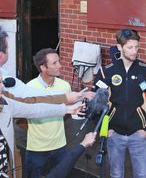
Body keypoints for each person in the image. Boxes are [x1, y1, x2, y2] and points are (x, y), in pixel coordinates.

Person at [94, 29, 146, 178]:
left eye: (137, 47)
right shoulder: (106, 72)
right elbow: (97, 104)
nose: (134, 51)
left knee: (142, 174)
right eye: (130, 47)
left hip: (139, 133)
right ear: (119, 47)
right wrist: (106, 130)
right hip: (114, 133)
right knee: (116, 174)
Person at [0, 69, 85, 178]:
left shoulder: (5, 102)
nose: (2, 85)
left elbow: (34, 108)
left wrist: (67, 109)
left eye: (2, 81)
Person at [24, 48, 75, 178]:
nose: (60, 65)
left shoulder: (65, 86)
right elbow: (21, 117)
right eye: (55, 63)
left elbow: (69, 110)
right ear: (43, 67)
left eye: (59, 61)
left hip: (60, 146)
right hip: (36, 148)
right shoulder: (29, 88)